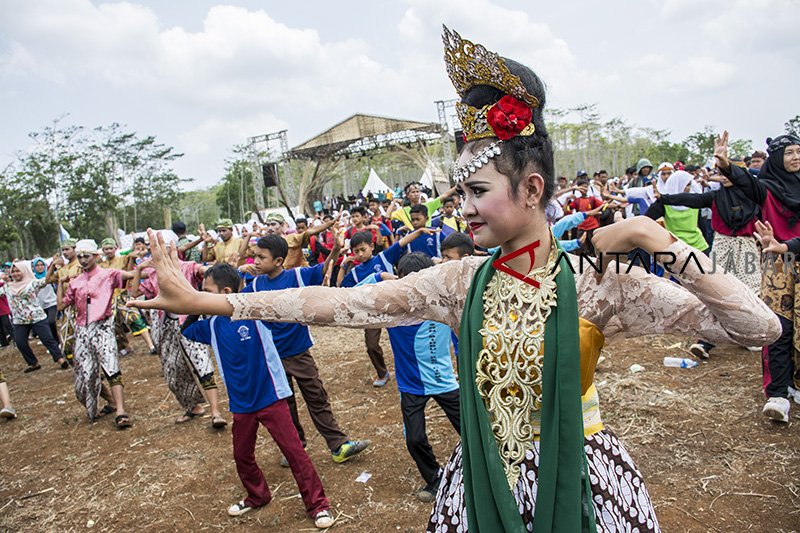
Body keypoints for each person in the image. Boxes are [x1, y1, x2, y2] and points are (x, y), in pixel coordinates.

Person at [131, 27, 781, 533]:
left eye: (476, 188)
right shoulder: (459, 280)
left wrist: (653, 239)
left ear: (531, 188)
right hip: (480, 484)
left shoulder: (600, 285)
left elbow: (758, 329)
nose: (462, 205)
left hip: (580, 479)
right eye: (458, 189)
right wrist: (209, 300)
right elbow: (343, 303)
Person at [181, 264, 334, 529]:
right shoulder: (213, 325)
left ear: (226, 292)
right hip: (241, 405)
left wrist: (250, 279)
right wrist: (196, 304)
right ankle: (257, 495)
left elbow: (276, 301)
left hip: (271, 397)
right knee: (242, 456)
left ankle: (318, 505)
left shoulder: (256, 314)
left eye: (207, 292)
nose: (202, 296)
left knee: (295, 452)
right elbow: (187, 331)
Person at [242, 234, 370, 463]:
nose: (256, 262)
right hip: (272, 357)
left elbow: (323, 269)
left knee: (316, 397)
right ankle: (294, 447)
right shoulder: (254, 286)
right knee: (285, 405)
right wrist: (241, 269)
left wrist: (336, 250)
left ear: (279, 260)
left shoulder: (297, 276)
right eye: (255, 257)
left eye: (261, 257)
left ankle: (338, 445)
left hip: (299, 352)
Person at [360, 253, 461, 503]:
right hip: (411, 388)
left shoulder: (443, 304)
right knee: (414, 439)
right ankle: (435, 479)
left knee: (472, 430)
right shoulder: (392, 311)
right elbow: (355, 293)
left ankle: (482, 472)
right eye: (407, 283)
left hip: (445, 383)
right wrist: (379, 276)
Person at [716, 131, 800, 423]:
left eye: (798, 151)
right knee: (780, 329)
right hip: (781, 266)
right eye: (789, 152)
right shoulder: (768, 190)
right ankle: (778, 393)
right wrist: (726, 164)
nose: (796, 157)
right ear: (777, 157)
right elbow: (746, 182)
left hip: (793, 252)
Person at [651, 165, 761, 357]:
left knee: (750, 290)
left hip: (747, 246)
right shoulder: (715, 197)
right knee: (716, 291)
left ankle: (750, 335)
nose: (725, 177)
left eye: (730, 173)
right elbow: (692, 199)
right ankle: (706, 342)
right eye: (722, 174)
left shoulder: (754, 196)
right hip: (722, 245)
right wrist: (665, 198)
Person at [131, 254, 226, 428]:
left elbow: (203, 272)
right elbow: (134, 292)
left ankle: (215, 412)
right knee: (173, 371)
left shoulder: (188, 267)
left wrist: (216, 271)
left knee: (202, 366)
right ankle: (192, 407)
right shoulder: (154, 274)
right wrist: (138, 269)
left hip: (190, 321)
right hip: (167, 327)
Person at [337, 226, 441, 385]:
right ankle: (382, 373)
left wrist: (419, 231)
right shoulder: (355, 272)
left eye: (363, 249)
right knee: (371, 345)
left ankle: (425, 368)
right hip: (373, 312)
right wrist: (344, 266)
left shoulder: (383, 258)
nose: (359, 254)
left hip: (395, 306)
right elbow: (341, 288)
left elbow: (401, 243)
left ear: (371, 247)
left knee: (408, 339)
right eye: (356, 251)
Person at [60, 239, 135, 428]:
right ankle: (109, 401)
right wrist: (61, 283)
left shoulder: (108, 275)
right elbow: (62, 304)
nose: (83, 260)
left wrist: (138, 264)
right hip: (82, 331)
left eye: (87, 256)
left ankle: (121, 411)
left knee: (111, 368)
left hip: (103, 327)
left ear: (96, 256)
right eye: (80, 257)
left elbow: (130, 277)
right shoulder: (76, 282)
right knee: (86, 373)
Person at [3, 261, 68, 371]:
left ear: (23, 271)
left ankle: (60, 359)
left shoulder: (32, 283)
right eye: (13, 272)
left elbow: (46, 280)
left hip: (36, 317)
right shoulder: (7, 287)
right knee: (20, 342)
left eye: (18, 271)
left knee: (47, 339)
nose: (15, 273)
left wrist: (51, 266)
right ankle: (33, 363)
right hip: (19, 320)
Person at [98, 238, 157, 357]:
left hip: (123, 295)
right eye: (106, 249)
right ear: (103, 251)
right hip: (108, 298)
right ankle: (125, 346)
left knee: (134, 317)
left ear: (115, 249)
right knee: (113, 324)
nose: (108, 251)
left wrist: (134, 256)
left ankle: (151, 346)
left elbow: (131, 265)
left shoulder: (122, 259)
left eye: (110, 248)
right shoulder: (100, 266)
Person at [55, 238, 82, 362]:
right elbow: (48, 279)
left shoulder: (82, 265)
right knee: (66, 341)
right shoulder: (62, 269)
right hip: (68, 307)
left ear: (75, 250)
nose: (65, 252)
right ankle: (78, 365)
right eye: (63, 250)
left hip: (83, 306)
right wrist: (52, 265)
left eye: (67, 249)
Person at [31, 258, 60, 344]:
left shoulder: (49, 276)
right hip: (40, 305)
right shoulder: (32, 279)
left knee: (51, 321)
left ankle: (57, 341)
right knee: (44, 325)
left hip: (51, 303)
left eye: (42, 265)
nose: (40, 267)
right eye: (37, 265)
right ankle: (49, 341)